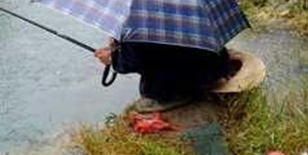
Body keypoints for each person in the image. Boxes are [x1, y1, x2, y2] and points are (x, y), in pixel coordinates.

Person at [95, 38, 232, 112]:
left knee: (158, 84)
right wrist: (120, 44)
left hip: (182, 83)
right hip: (216, 67)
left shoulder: (139, 20)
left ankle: (181, 97)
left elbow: (135, 60)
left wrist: (113, 59)